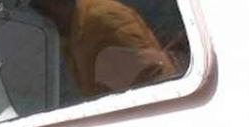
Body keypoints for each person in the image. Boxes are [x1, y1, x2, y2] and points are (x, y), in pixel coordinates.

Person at [31, 0, 178, 96]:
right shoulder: (67, 36)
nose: (32, 11)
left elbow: (157, 76)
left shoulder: (103, 18)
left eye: (37, 6)